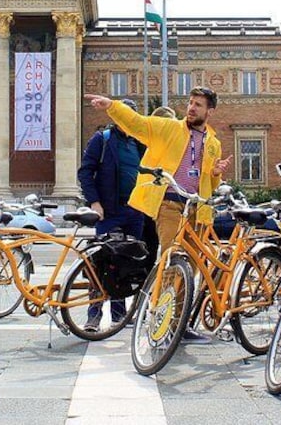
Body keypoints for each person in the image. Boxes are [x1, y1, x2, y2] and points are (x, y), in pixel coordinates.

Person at [84, 87, 232, 344]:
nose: (192, 108)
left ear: (210, 111)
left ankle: (179, 324)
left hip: (197, 210)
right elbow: (137, 124)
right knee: (173, 261)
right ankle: (159, 320)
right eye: (190, 102)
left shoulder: (213, 144)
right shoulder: (170, 128)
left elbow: (209, 182)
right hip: (170, 204)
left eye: (198, 104)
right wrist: (111, 106)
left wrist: (216, 172)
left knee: (192, 269)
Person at [77, 99, 146, 330]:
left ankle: (119, 314)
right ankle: (94, 315)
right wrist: (94, 202)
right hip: (110, 211)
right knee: (101, 263)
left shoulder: (139, 143)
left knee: (126, 265)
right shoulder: (103, 140)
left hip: (135, 212)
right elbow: (85, 171)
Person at [141, 105, 178, 270]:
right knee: (148, 250)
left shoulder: (170, 146)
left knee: (164, 249)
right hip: (147, 203)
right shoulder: (145, 142)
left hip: (161, 203)